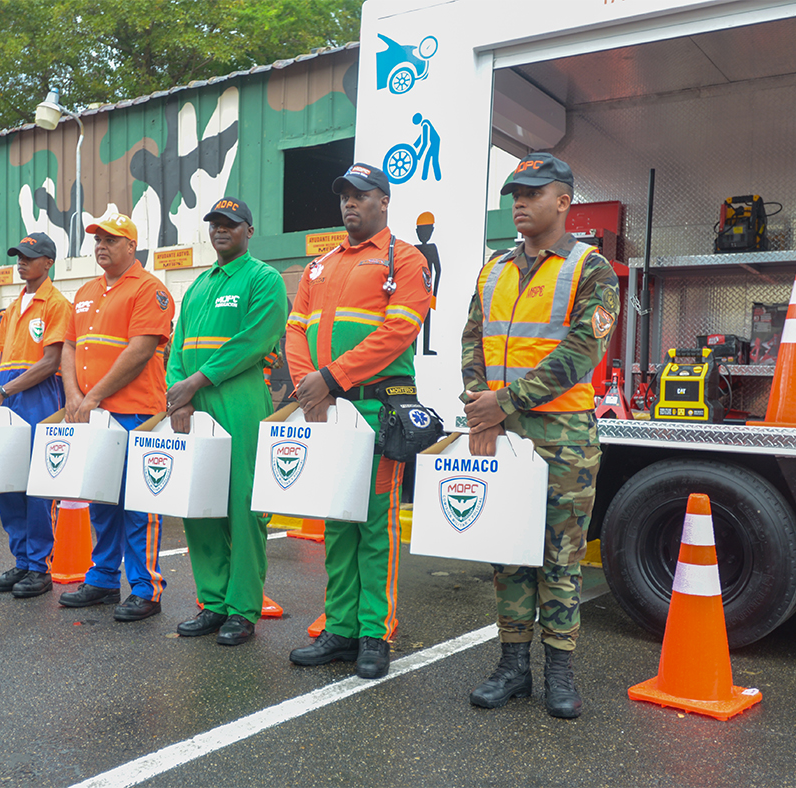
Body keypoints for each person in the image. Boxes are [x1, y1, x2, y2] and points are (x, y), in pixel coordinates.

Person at [461, 152, 618, 719]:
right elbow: (471, 342)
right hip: (502, 434)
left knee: (559, 558)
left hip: (563, 438)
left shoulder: (590, 268)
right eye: (513, 194)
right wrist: (482, 409)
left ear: (564, 200)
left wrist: (502, 404)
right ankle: (511, 668)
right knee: (508, 554)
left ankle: (559, 671)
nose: (519, 202)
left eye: (531, 192)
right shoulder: (494, 268)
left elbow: (580, 353)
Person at [285, 164, 430, 679]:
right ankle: (341, 629)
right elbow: (295, 330)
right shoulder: (318, 266)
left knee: (373, 526)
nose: (350, 204)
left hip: (375, 409)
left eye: (361, 195)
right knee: (337, 523)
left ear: (384, 202)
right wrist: (311, 388)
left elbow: (398, 332)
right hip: (326, 406)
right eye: (344, 195)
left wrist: (332, 378)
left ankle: (375, 632)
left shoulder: (405, 260)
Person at [167, 198, 287, 645]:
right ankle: (212, 602)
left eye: (230, 224)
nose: (221, 230)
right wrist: (178, 397)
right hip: (193, 405)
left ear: (248, 231)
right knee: (199, 506)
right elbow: (176, 346)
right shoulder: (198, 285)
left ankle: (242, 609)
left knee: (243, 506)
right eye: (215, 224)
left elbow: (255, 341)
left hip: (238, 402)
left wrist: (196, 380)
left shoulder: (264, 279)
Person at [56, 215, 172, 621]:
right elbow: (69, 346)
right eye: (98, 239)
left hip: (135, 413)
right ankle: (104, 578)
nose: (101, 245)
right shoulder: (85, 291)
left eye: (111, 239)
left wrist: (94, 396)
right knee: (101, 498)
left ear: (131, 247)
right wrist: (73, 395)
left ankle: (146, 587)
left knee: (139, 503)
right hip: (93, 411)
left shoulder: (149, 289)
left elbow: (140, 350)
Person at [0, 231, 71, 599]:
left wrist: (2, 391)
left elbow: (50, 362)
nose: (21, 262)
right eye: (19, 256)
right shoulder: (14, 306)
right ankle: (20, 559)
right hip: (7, 393)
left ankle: (39, 566)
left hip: (36, 395)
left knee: (36, 484)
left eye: (29, 257)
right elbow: (0, 358)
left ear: (48, 263)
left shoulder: (55, 304)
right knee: (9, 481)